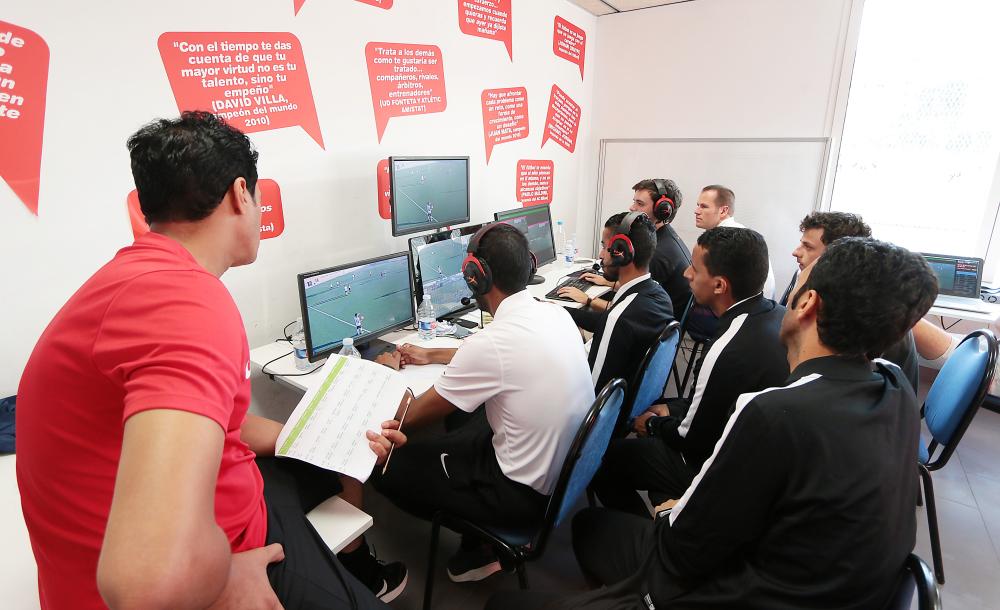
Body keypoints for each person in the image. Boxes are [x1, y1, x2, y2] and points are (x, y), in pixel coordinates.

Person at [16, 112, 402, 610]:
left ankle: (358, 570)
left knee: (334, 472)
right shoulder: (186, 303)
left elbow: (224, 424)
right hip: (198, 581)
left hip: (215, 520)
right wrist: (220, 585)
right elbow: (142, 583)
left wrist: (324, 437)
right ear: (241, 194)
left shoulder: (138, 279)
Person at [487, 237, 938, 610]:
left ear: (807, 303)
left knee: (508, 599)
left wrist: (675, 511)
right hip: (821, 582)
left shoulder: (774, 412)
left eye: (802, 275)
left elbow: (681, 552)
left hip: (736, 590)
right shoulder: (894, 385)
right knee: (602, 527)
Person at [371, 223, 595, 584]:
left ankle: (486, 546)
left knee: (385, 466)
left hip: (517, 500)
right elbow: (497, 357)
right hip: (560, 479)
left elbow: (407, 418)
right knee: (465, 417)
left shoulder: (491, 344)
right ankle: (476, 546)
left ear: (475, 276)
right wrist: (432, 354)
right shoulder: (554, 313)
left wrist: (379, 374)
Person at [590, 227, 788, 515]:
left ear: (719, 285)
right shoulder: (775, 314)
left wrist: (653, 424)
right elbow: (715, 401)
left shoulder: (725, 349)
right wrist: (672, 409)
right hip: (751, 458)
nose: (686, 274)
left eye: (694, 269)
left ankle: (653, 536)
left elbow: (689, 440)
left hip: (715, 469)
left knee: (604, 460)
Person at [783, 211, 952, 389]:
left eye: (808, 247)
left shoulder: (864, 316)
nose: (796, 252)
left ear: (838, 256)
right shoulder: (804, 275)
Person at [558, 212, 674, 392]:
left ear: (622, 252)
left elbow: (592, 391)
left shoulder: (619, 319)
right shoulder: (659, 295)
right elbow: (607, 322)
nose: (600, 255)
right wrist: (561, 310)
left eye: (605, 247)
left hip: (599, 402)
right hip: (632, 395)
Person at [580, 179, 692, 314]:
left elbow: (631, 310)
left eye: (640, 203)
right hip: (654, 315)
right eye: (634, 201)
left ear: (662, 211)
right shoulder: (664, 236)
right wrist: (608, 282)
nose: (632, 208)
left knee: (580, 310)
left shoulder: (658, 253)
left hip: (651, 321)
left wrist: (587, 299)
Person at [694, 184, 775, 298]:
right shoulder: (733, 233)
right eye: (698, 205)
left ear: (723, 211)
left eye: (704, 206)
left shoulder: (729, 241)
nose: (696, 211)